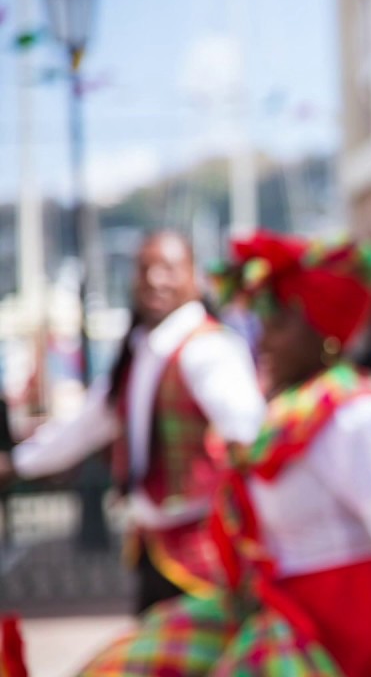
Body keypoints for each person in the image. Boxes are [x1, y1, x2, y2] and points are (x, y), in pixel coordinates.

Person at [83, 230, 371, 677]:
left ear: (322, 332)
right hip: (279, 613)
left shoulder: (359, 418)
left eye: (277, 324)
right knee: (123, 665)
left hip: (344, 635)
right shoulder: (293, 411)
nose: (261, 341)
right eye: (260, 323)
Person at [0, 231, 265, 614]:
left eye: (169, 268)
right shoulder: (141, 349)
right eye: (145, 269)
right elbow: (85, 425)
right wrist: (20, 463)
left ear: (193, 277)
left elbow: (250, 437)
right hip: (155, 547)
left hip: (205, 551)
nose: (155, 279)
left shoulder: (208, 349)